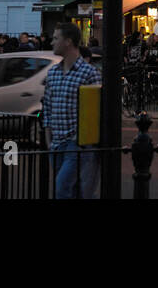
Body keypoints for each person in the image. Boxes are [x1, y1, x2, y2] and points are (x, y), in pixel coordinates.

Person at [42, 22, 101, 199]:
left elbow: (96, 111)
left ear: (68, 41)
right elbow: (47, 108)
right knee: (73, 190)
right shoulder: (52, 73)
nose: (52, 42)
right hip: (57, 142)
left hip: (77, 143)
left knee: (62, 188)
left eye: (55, 38)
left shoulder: (89, 73)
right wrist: (49, 140)